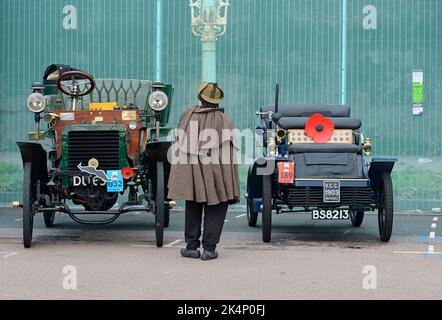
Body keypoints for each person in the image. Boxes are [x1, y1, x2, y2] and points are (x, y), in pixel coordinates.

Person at [167, 82, 240, 261]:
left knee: (193, 201)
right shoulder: (226, 121)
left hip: (192, 168)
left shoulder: (188, 116)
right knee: (217, 203)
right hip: (217, 170)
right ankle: (209, 249)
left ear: (200, 98)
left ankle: (191, 248)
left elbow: (180, 138)